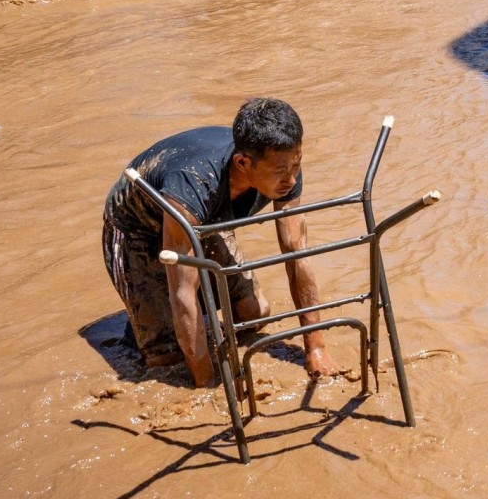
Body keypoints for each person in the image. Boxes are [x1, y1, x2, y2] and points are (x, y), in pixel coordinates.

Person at [102, 98, 341, 387]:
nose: (291, 179)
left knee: (254, 315)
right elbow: (184, 289)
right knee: (166, 359)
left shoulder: (285, 166)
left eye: (297, 164)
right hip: (137, 227)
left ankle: (163, 320)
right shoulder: (194, 183)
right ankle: (149, 328)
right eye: (280, 171)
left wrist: (315, 348)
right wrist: (209, 383)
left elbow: (296, 252)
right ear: (243, 162)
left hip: (206, 217)